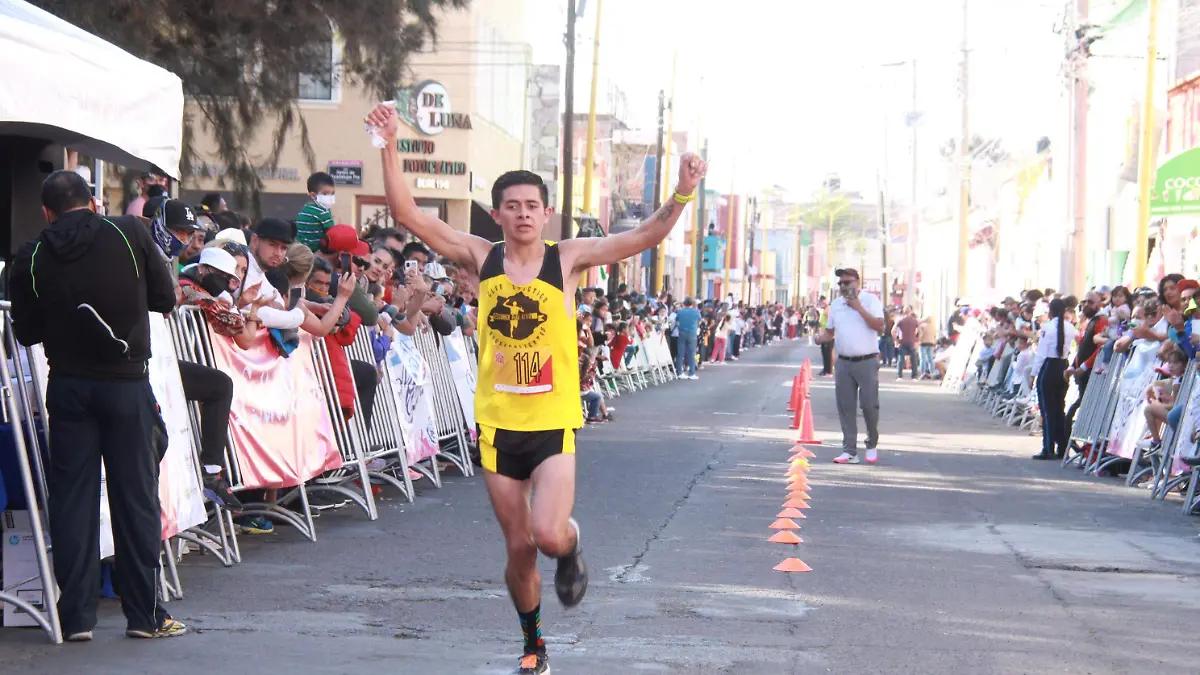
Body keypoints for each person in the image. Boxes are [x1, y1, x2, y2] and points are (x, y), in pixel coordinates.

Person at [369, 100, 707, 675]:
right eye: (512, 206)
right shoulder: (480, 256)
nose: (523, 214)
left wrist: (682, 192)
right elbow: (408, 214)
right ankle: (534, 645)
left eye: (532, 205)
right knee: (520, 547)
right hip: (498, 426)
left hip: (552, 423)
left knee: (548, 536)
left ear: (546, 213)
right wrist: (390, 143)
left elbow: (645, 236)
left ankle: (571, 547)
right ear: (497, 214)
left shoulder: (568, 259)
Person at [9, 170, 184, 640]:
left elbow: (26, 332)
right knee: (135, 499)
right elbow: (164, 297)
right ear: (93, 202)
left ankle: (76, 617)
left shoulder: (32, 254)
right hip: (126, 382)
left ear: (46, 212)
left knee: (72, 501)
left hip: (68, 385)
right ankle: (144, 616)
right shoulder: (128, 232)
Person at [817, 268, 885, 465]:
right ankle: (849, 450)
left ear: (857, 282)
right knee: (845, 407)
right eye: (840, 283)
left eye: (847, 282)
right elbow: (830, 331)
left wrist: (858, 307)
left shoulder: (870, 300)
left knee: (869, 405)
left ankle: (871, 443)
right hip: (844, 362)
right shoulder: (836, 305)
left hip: (867, 360)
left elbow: (879, 326)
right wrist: (821, 338)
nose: (843, 286)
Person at [1032, 298, 1077, 460]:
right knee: (1059, 407)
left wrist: (1034, 373)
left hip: (1049, 366)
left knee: (1047, 410)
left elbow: (1041, 353)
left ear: (1051, 311)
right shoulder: (1070, 327)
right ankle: (1062, 447)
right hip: (1063, 365)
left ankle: (1048, 447)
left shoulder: (1047, 327)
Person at [296, 171, 337, 251]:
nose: (330, 197)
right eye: (325, 194)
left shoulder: (303, 210)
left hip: (302, 250)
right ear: (313, 195)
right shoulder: (322, 212)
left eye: (332, 193)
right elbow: (332, 234)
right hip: (318, 251)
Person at [674, 297, 702, 379]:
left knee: (680, 354)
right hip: (692, 333)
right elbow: (699, 321)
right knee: (691, 354)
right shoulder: (696, 311)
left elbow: (677, 321)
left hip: (681, 333)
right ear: (692, 304)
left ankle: (679, 373)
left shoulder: (680, 311)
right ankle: (691, 373)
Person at [895, 306, 920, 380]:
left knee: (901, 359)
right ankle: (914, 376)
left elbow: (893, 331)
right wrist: (917, 340)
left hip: (902, 341)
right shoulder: (915, 321)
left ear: (903, 311)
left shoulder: (900, 320)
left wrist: (896, 340)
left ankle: (899, 376)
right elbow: (920, 331)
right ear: (910, 312)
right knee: (913, 359)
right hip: (911, 341)